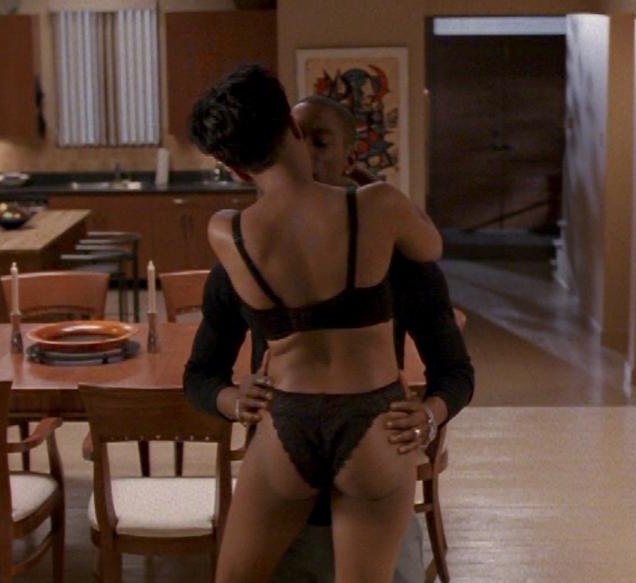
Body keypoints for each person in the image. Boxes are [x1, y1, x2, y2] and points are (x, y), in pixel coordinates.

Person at [187, 64, 464, 582]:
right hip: (373, 418)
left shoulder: (227, 232)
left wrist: (233, 399)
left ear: (237, 170)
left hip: (286, 418)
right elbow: (430, 244)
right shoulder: (377, 207)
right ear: (291, 128)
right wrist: (372, 188)